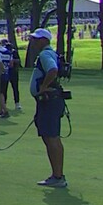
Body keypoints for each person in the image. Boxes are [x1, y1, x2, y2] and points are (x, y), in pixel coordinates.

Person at [28, 28, 67, 188]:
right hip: (51, 101)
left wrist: (43, 87)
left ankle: (57, 176)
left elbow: (53, 70)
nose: (34, 42)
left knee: (51, 138)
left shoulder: (45, 54)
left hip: (49, 101)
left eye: (36, 39)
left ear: (44, 40)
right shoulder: (49, 53)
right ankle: (57, 175)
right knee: (50, 137)